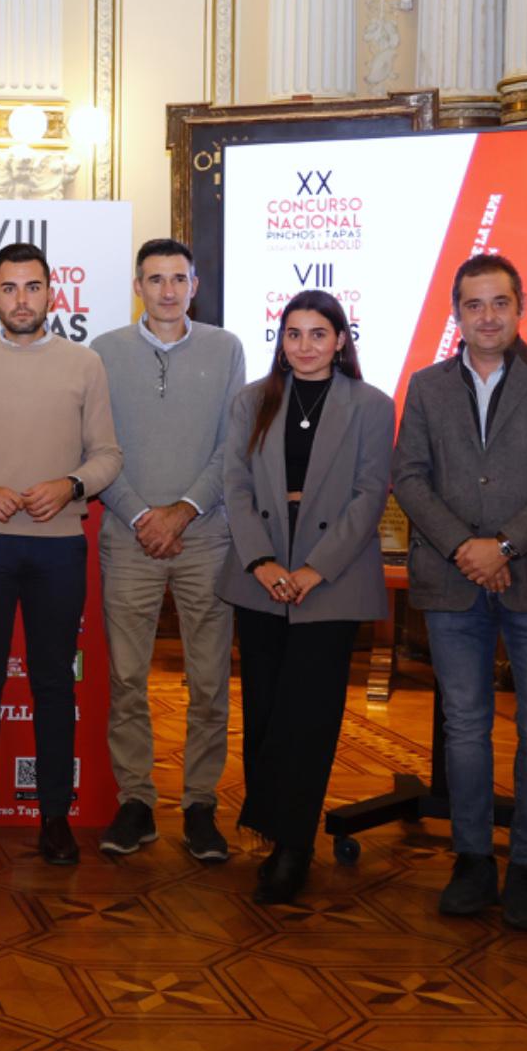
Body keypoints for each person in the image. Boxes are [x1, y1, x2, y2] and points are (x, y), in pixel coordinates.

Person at [391, 253, 527, 930]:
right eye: (473, 304)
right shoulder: (426, 386)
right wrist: (465, 549)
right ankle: (472, 859)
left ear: (520, 307)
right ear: (456, 313)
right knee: (465, 727)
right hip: (453, 581)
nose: (486, 316)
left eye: (499, 302)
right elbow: (409, 477)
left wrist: (502, 546)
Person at [0, 242, 122, 865]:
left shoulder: (85, 364)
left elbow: (108, 456)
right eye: (9, 288)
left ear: (52, 294)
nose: (21, 299)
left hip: (59, 547)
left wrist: (72, 484)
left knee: (53, 683)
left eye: (32, 287)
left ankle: (55, 819)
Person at [218, 289, 394, 905]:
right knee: (265, 710)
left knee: (309, 715)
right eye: (293, 334)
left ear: (341, 340)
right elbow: (235, 485)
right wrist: (262, 561)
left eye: (318, 334)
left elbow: (370, 495)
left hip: (333, 577)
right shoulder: (252, 401)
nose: (305, 346)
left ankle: (295, 845)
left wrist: (315, 569)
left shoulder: (371, 405)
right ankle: (271, 829)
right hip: (260, 572)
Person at [91, 238, 248, 864]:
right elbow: (96, 446)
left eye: (178, 278)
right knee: (127, 679)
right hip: (127, 534)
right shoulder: (103, 352)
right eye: (154, 279)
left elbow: (232, 447)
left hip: (205, 535)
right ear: (138, 286)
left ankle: (201, 805)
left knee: (209, 682)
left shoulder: (226, 348)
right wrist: (140, 515)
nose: (167, 290)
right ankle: (136, 801)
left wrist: (181, 511)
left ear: (194, 285)